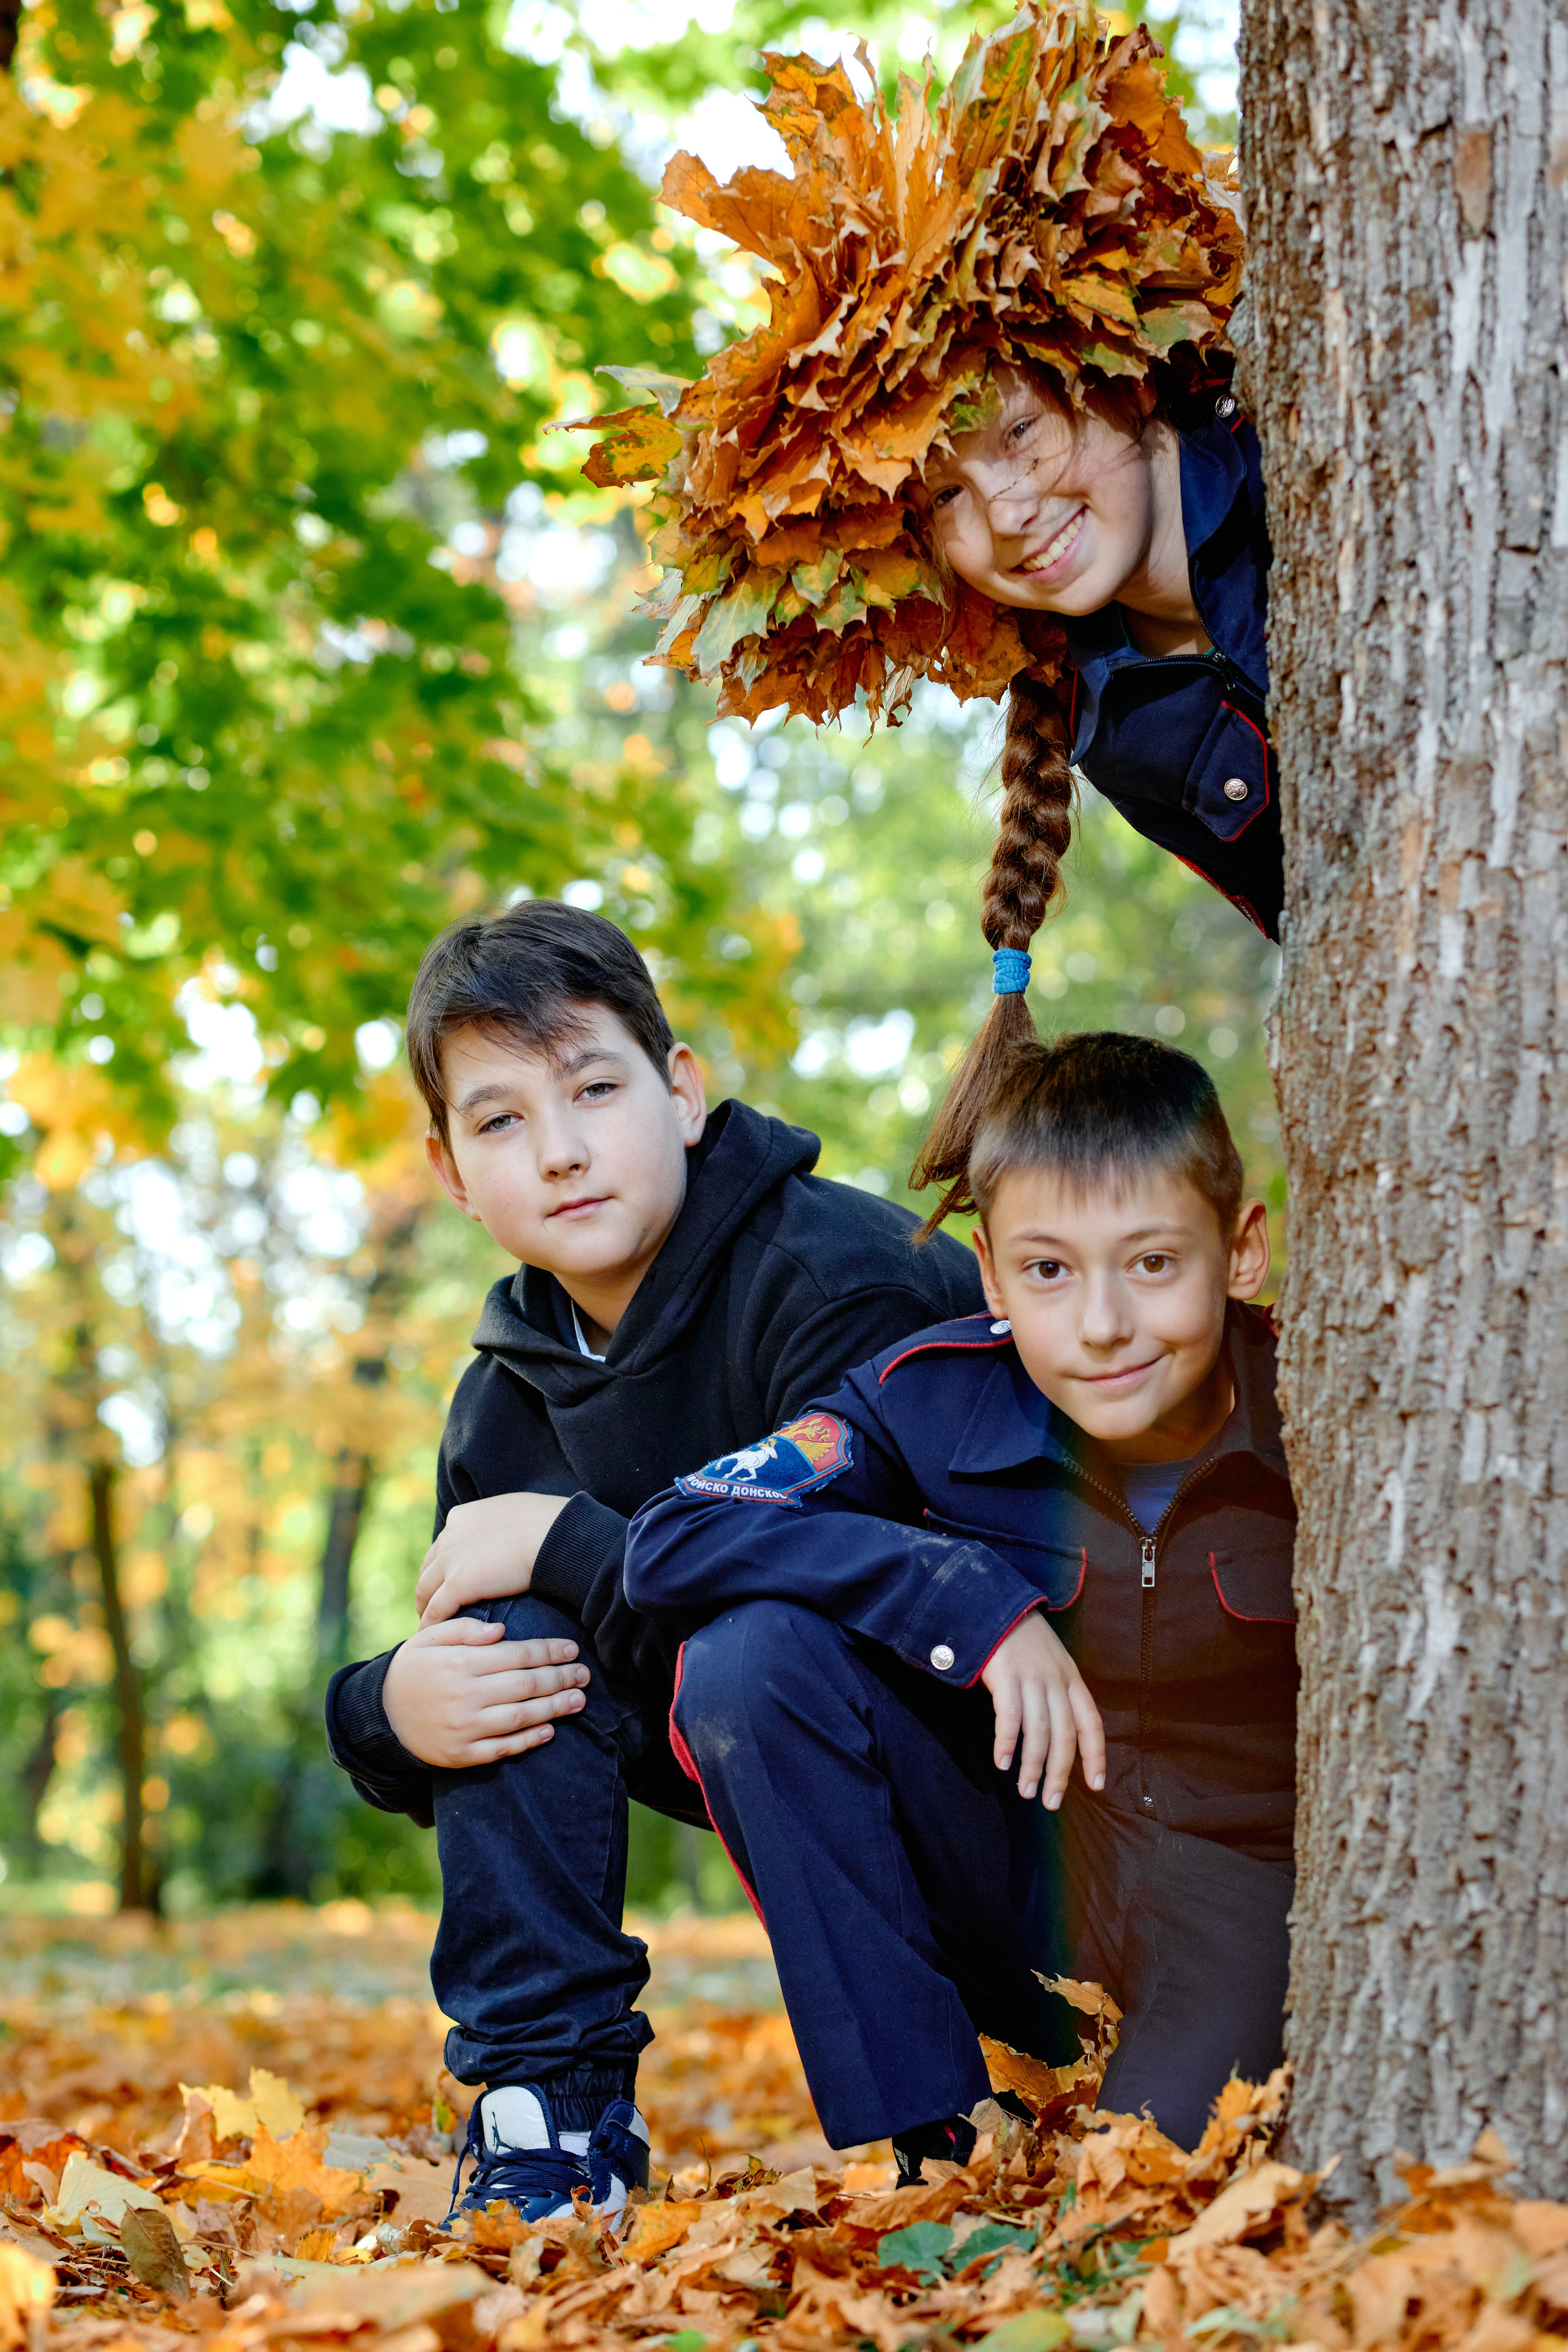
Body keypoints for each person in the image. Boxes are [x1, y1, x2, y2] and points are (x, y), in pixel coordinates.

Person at [324, 899, 983, 2226]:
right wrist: (382, 1711)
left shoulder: (844, 1279)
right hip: (768, 1760)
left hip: (1016, 1803)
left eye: (593, 1088)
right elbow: (488, 1669)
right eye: (501, 1120)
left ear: (680, 1092)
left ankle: (952, 2126)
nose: (560, 1151)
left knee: (747, 1651)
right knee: (503, 1637)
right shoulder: (503, 1394)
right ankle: (549, 2122)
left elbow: (899, 1611)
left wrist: (570, 1543)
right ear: (452, 1173)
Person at [580, 0, 1268, 1187]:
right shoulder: (1116, 727)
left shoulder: (1284, 442)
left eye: (1018, 430)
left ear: (1109, 368)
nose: (1004, 512)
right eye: (941, 499)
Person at [625, 1033, 1297, 2165]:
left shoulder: (1327, 1410)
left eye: (1151, 1265)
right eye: (1048, 1271)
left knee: (1145, 2193)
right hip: (1025, 1883)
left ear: (1239, 1251)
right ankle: (936, 2133)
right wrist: (966, 1597)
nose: (1101, 1326)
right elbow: (672, 1536)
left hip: (1234, 1908)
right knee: (752, 1661)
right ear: (990, 1275)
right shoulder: (928, 1399)